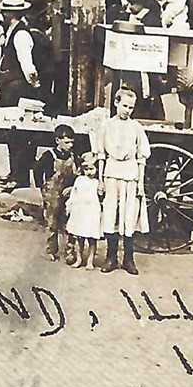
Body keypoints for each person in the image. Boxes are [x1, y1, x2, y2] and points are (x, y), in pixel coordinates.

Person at [0, 0, 55, 189]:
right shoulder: (11, 31)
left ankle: (20, 177)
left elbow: (28, 65)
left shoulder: (21, 34)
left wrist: (34, 85)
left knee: (20, 133)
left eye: (6, 12)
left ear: (13, 13)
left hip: (19, 89)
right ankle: (14, 173)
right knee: (11, 132)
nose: (3, 14)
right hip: (10, 86)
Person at [97, 86, 152, 273]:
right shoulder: (106, 126)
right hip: (111, 174)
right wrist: (100, 180)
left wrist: (140, 184)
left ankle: (128, 259)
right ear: (116, 103)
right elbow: (101, 155)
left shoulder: (136, 128)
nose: (127, 110)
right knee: (110, 214)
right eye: (125, 106)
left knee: (129, 216)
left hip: (130, 175)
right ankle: (111, 257)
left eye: (131, 107)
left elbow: (142, 158)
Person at [43, 123, 84, 263]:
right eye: (67, 142)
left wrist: (73, 187)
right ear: (57, 140)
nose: (70, 145)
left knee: (67, 223)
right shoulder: (49, 155)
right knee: (52, 223)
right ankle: (51, 250)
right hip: (52, 194)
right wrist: (42, 187)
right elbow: (37, 170)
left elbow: (78, 174)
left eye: (72, 142)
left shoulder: (73, 157)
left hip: (68, 193)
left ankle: (69, 252)